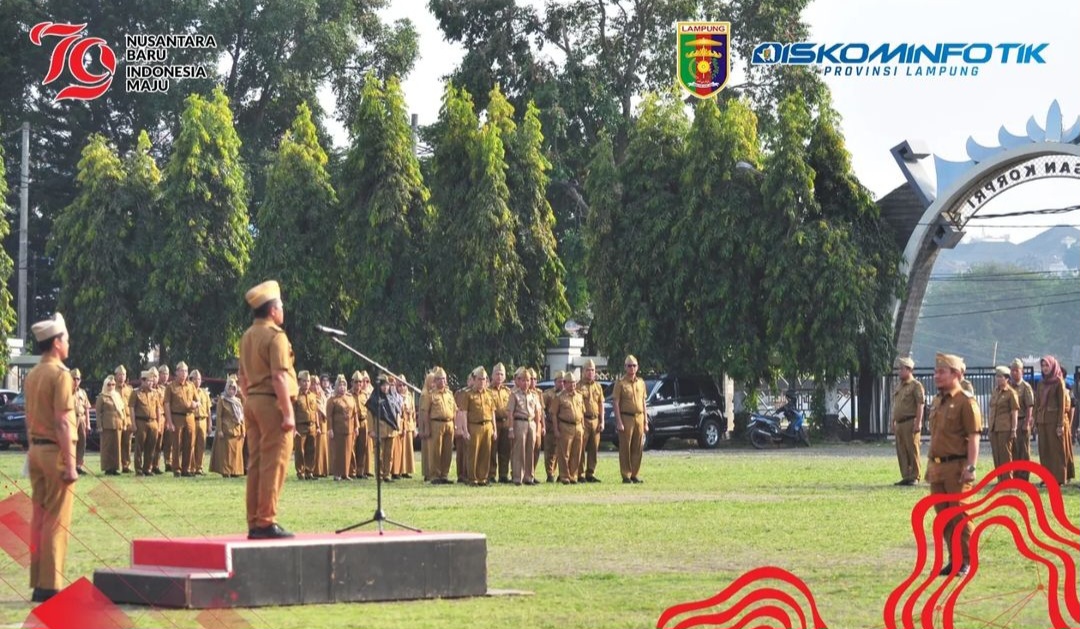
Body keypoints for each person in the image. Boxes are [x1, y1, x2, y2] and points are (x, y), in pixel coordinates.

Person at [238, 280, 298, 539]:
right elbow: (280, 377)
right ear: (273, 310)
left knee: (257, 464)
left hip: (252, 401)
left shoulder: (248, 336)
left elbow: (242, 377)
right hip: (271, 402)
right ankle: (266, 520)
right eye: (281, 306)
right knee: (274, 463)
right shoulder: (276, 337)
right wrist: (287, 412)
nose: (283, 311)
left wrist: (250, 399)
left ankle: (254, 521)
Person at [25, 313, 77, 603]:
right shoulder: (60, 375)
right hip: (55, 452)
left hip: (35, 450)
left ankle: (38, 582)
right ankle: (52, 585)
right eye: (66, 339)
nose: (68, 344)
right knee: (57, 520)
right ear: (57, 343)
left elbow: (28, 418)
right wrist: (71, 463)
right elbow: (63, 422)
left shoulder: (33, 375)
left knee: (40, 519)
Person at [926, 352, 982, 578]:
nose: (936, 375)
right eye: (936, 371)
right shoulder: (938, 400)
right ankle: (954, 559)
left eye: (941, 372)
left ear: (956, 374)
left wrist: (971, 466)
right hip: (937, 467)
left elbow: (974, 435)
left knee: (960, 515)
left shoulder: (966, 402)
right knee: (944, 517)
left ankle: (966, 560)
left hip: (957, 468)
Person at [891, 356, 925, 486]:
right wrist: (893, 421)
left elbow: (920, 404)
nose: (899, 371)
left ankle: (915, 476)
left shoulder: (916, 385)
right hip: (899, 423)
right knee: (901, 450)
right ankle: (906, 476)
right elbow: (896, 405)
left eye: (902, 368)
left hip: (910, 422)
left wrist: (918, 422)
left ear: (909, 369)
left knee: (912, 449)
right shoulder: (899, 386)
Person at [1034, 355, 1068, 486]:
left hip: (1054, 421)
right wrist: (1036, 421)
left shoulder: (1059, 382)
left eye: (1047, 365)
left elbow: (1062, 405)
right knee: (1044, 449)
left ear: (1053, 366)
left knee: (1056, 450)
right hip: (1042, 420)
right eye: (1043, 366)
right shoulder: (1041, 383)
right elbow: (1037, 403)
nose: (1045, 368)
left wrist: (1060, 424)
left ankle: (1059, 478)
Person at [613, 355, 648, 484]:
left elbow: (644, 402)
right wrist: (619, 422)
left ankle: (635, 474)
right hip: (626, 417)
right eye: (629, 366)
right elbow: (616, 403)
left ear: (637, 367)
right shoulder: (620, 383)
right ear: (625, 367)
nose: (632, 368)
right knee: (625, 448)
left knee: (638, 447)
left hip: (639, 417)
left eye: (634, 365)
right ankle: (626, 475)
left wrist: (645, 421)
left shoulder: (641, 382)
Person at [460, 366, 497, 486]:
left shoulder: (489, 394)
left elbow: (492, 412)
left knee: (486, 453)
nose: (482, 382)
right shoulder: (467, 394)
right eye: (480, 379)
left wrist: (494, 429)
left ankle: (483, 478)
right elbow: (464, 413)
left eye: (484, 379)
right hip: (474, 426)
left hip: (487, 425)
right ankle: (472, 478)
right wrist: (465, 430)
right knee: (473, 453)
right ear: (474, 379)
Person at [419, 367, 457, 484]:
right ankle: (435, 475)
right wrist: (427, 428)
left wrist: (455, 425)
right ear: (435, 381)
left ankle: (444, 475)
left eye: (444, 379)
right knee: (435, 451)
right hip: (436, 423)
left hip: (449, 423)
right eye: (440, 379)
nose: (443, 381)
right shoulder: (430, 395)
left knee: (447, 451)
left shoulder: (450, 394)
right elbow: (425, 412)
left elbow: (454, 409)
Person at [164, 362, 199, 477]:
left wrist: (195, 404)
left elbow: (197, 401)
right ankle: (177, 469)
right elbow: (167, 405)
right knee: (177, 444)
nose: (183, 373)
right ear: (176, 372)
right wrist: (169, 422)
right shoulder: (171, 386)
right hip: (176, 417)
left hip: (189, 417)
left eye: (185, 371)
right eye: (181, 371)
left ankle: (187, 468)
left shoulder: (191, 385)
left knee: (189, 444)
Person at [507, 366, 539, 486]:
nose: (526, 383)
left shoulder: (533, 395)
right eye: (523, 380)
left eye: (528, 380)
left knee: (530, 450)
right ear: (518, 381)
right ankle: (517, 477)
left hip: (531, 423)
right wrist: (511, 429)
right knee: (519, 450)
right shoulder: (514, 394)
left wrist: (537, 427)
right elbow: (510, 413)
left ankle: (529, 477)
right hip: (519, 422)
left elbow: (537, 412)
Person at [552, 369, 585, 485]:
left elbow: (582, 413)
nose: (573, 385)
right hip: (565, 426)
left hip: (578, 426)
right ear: (564, 383)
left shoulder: (579, 396)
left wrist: (583, 426)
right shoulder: (559, 397)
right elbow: (554, 414)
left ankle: (573, 475)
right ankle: (564, 476)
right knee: (564, 453)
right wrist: (556, 429)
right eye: (570, 382)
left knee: (577, 452)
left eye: (574, 382)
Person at [368, 374, 403, 482]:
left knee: (389, 455)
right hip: (379, 430)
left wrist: (398, 427)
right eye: (383, 385)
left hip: (391, 430)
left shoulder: (392, 398)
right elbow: (370, 416)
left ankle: (386, 474)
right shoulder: (373, 399)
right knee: (379, 455)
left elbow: (397, 412)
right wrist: (371, 430)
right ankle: (379, 475)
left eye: (387, 385)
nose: (385, 387)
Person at [210, 377, 246, 477]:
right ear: (226, 389)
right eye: (230, 388)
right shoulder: (222, 400)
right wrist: (219, 430)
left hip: (237, 430)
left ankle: (235, 471)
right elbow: (219, 416)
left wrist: (243, 430)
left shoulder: (238, 401)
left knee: (236, 453)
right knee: (226, 453)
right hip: (226, 430)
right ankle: (226, 471)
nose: (232, 391)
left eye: (234, 389)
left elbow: (242, 416)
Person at [988, 365, 1019, 481]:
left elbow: (1014, 412)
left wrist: (1013, 430)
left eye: (1000, 377)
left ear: (1007, 379)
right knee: (996, 454)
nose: (998, 379)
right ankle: (1000, 478)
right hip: (994, 427)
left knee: (1005, 454)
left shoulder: (1011, 393)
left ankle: (1007, 479)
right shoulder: (995, 392)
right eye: (997, 376)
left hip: (1005, 427)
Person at [130, 369, 162, 476]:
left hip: (153, 422)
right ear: (142, 381)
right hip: (141, 421)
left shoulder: (155, 393)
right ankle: (138, 469)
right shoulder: (135, 393)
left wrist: (159, 424)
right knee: (139, 446)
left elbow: (158, 409)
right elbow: (131, 409)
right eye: (148, 381)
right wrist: (133, 424)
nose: (150, 383)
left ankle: (148, 468)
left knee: (151, 446)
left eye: (152, 381)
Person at [1009, 358, 1036, 481]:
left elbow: (1030, 406)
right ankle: (1014, 475)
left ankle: (1024, 476)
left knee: (1023, 450)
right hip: (1010, 422)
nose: (1014, 373)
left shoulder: (1026, 387)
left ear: (1022, 372)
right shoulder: (1008, 386)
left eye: (1017, 370)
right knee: (1013, 450)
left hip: (1022, 421)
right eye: (1012, 370)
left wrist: (1026, 423)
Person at [579, 359, 605, 483]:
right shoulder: (578, 386)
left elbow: (601, 404)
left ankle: (591, 473)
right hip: (583, 420)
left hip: (595, 420)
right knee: (580, 448)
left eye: (592, 370)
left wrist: (602, 421)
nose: (590, 372)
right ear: (583, 371)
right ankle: (580, 474)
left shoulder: (598, 386)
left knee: (594, 448)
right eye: (588, 370)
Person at [328, 374, 357, 481]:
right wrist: (330, 429)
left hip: (349, 429)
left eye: (344, 385)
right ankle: (337, 474)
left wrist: (356, 427)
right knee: (338, 452)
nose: (342, 387)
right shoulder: (333, 400)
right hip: (337, 430)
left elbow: (355, 413)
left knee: (348, 451)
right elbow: (329, 416)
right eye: (340, 385)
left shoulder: (350, 398)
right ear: (336, 386)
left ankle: (346, 473)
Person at [96, 376, 126, 476]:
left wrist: (124, 423)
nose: (111, 386)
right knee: (107, 447)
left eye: (113, 384)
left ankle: (115, 467)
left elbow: (122, 410)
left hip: (117, 424)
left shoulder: (117, 395)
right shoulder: (102, 397)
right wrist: (99, 426)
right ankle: (107, 468)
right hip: (107, 425)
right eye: (109, 384)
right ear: (105, 385)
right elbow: (98, 413)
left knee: (116, 447)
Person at [293, 371, 320, 480]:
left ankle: (310, 472)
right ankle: (301, 472)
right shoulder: (295, 396)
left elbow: (316, 412)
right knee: (300, 451)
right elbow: (292, 413)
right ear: (299, 382)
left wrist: (318, 426)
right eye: (304, 381)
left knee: (311, 449)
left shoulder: (313, 395)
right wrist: (294, 429)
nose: (306, 383)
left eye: (308, 381)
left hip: (312, 426)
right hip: (300, 426)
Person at [488, 363, 512, 483]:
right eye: (497, 374)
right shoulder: (487, 390)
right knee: (492, 450)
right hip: (494, 423)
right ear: (492, 375)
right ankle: (491, 474)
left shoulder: (507, 391)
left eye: (501, 374)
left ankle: (503, 474)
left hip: (506, 423)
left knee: (505, 450)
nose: (499, 376)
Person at [541, 371, 564, 482]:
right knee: (550, 451)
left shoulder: (568, 394)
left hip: (564, 426)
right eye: (560, 381)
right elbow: (541, 409)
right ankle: (550, 474)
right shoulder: (548, 394)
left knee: (562, 452)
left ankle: (563, 473)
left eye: (564, 381)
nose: (562, 384)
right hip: (550, 425)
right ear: (555, 382)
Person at [191, 369, 212, 475]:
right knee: (191, 444)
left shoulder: (204, 393)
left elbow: (208, 409)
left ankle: (199, 467)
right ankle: (191, 467)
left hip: (203, 420)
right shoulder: (189, 391)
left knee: (201, 445)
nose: (197, 381)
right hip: (192, 420)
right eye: (195, 379)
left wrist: (209, 424)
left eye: (199, 379)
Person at [115, 366, 134, 473]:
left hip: (127, 419)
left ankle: (126, 465)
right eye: (119, 374)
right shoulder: (112, 388)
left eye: (123, 375)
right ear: (115, 376)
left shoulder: (129, 389)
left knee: (127, 443)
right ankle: (116, 465)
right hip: (117, 419)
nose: (121, 377)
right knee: (117, 443)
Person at [396, 377, 415, 479]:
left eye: (404, 385)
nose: (402, 388)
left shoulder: (410, 396)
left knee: (407, 448)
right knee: (399, 449)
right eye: (399, 385)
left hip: (409, 424)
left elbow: (413, 412)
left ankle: (406, 470)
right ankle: (398, 470)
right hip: (399, 424)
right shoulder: (395, 396)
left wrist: (414, 426)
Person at [71, 369, 90, 476]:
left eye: (78, 379)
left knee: (82, 443)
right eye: (74, 378)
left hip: (81, 418)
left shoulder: (82, 392)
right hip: (71, 419)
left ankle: (79, 465)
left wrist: (88, 424)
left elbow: (87, 408)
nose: (76, 380)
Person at [156, 365, 172, 471]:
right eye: (163, 373)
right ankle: (155, 464)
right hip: (160, 416)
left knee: (169, 442)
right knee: (158, 442)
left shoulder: (171, 387)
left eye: (167, 373)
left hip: (170, 417)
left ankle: (168, 463)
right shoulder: (156, 388)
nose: (165, 376)